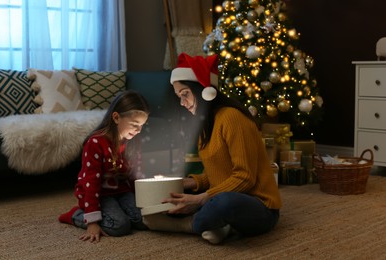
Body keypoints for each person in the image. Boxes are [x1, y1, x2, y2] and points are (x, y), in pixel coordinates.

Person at [143, 53, 282, 244]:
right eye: (178, 97)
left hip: (259, 206)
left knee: (224, 203)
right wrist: (187, 183)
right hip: (225, 194)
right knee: (174, 194)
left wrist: (201, 199)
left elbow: (244, 178)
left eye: (185, 94)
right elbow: (217, 173)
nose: (182, 103)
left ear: (204, 91)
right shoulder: (205, 123)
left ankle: (187, 225)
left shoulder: (232, 118)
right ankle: (220, 226)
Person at [59, 90, 150, 243]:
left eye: (142, 125)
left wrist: (144, 202)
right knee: (119, 226)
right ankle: (76, 215)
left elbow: (136, 175)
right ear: (116, 117)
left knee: (144, 221)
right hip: (99, 193)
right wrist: (92, 222)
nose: (138, 130)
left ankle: (118, 212)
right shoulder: (95, 143)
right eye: (135, 124)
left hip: (121, 191)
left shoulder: (133, 142)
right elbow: (91, 183)